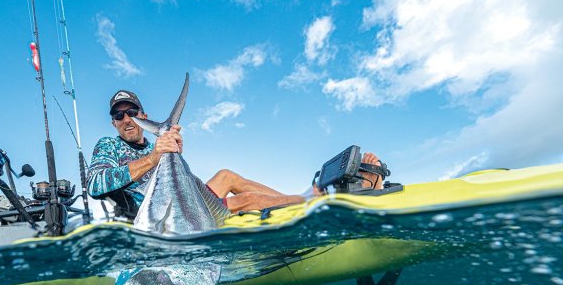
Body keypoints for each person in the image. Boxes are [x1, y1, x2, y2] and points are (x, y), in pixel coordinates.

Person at [86, 89, 386, 219]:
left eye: (132, 112)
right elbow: (95, 185)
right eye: (119, 115)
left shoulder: (156, 144)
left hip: (183, 198)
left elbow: (178, 177)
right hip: (162, 216)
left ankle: (294, 199)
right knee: (244, 201)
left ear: (142, 115)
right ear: (113, 122)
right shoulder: (108, 146)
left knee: (227, 175)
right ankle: (314, 198)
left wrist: (172, 152)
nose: (126, 119)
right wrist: (155, 157)